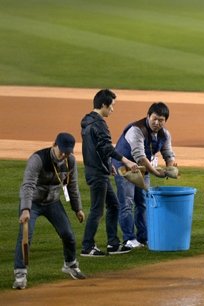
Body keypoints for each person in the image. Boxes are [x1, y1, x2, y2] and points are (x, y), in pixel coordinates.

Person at [13, 133, 86, 290]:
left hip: (53, 202)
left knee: (68, 234)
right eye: (62, 151)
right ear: (55, 145)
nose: (65, 155)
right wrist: (25, 209)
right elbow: (28, 185)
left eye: (68, 152)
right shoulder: (37, 159)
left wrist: (77, 208)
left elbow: (72, 186)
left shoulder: (70, 161)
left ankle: (70, 264)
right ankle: (20, 274)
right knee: (26, 235)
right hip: (32, 202)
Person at [80, 89, 138, 257]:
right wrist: (125, 160)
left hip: (97, 170)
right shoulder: (99, 124)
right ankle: (88, 246)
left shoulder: (87, 121)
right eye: (111, 106)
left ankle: (113, 244)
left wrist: (108, 165)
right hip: (97, 173)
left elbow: (96, 149)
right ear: (104, 105)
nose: (113, 109)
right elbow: (105, 147)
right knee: (97, 210)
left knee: (113, 205)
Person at [114, 102, 177, 248]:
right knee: (127, 203)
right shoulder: (136, 130)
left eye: (161, 120)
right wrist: (156, 172)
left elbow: (168, 154)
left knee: (143, 202)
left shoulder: (165, 134)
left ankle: (143, 237)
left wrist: (170, 168)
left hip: (143, 168)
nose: (157, 122)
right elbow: (140, 157)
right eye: (154, 118)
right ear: (148, 116)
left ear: (165, 121)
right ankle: (129, 238)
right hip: (125, 167)